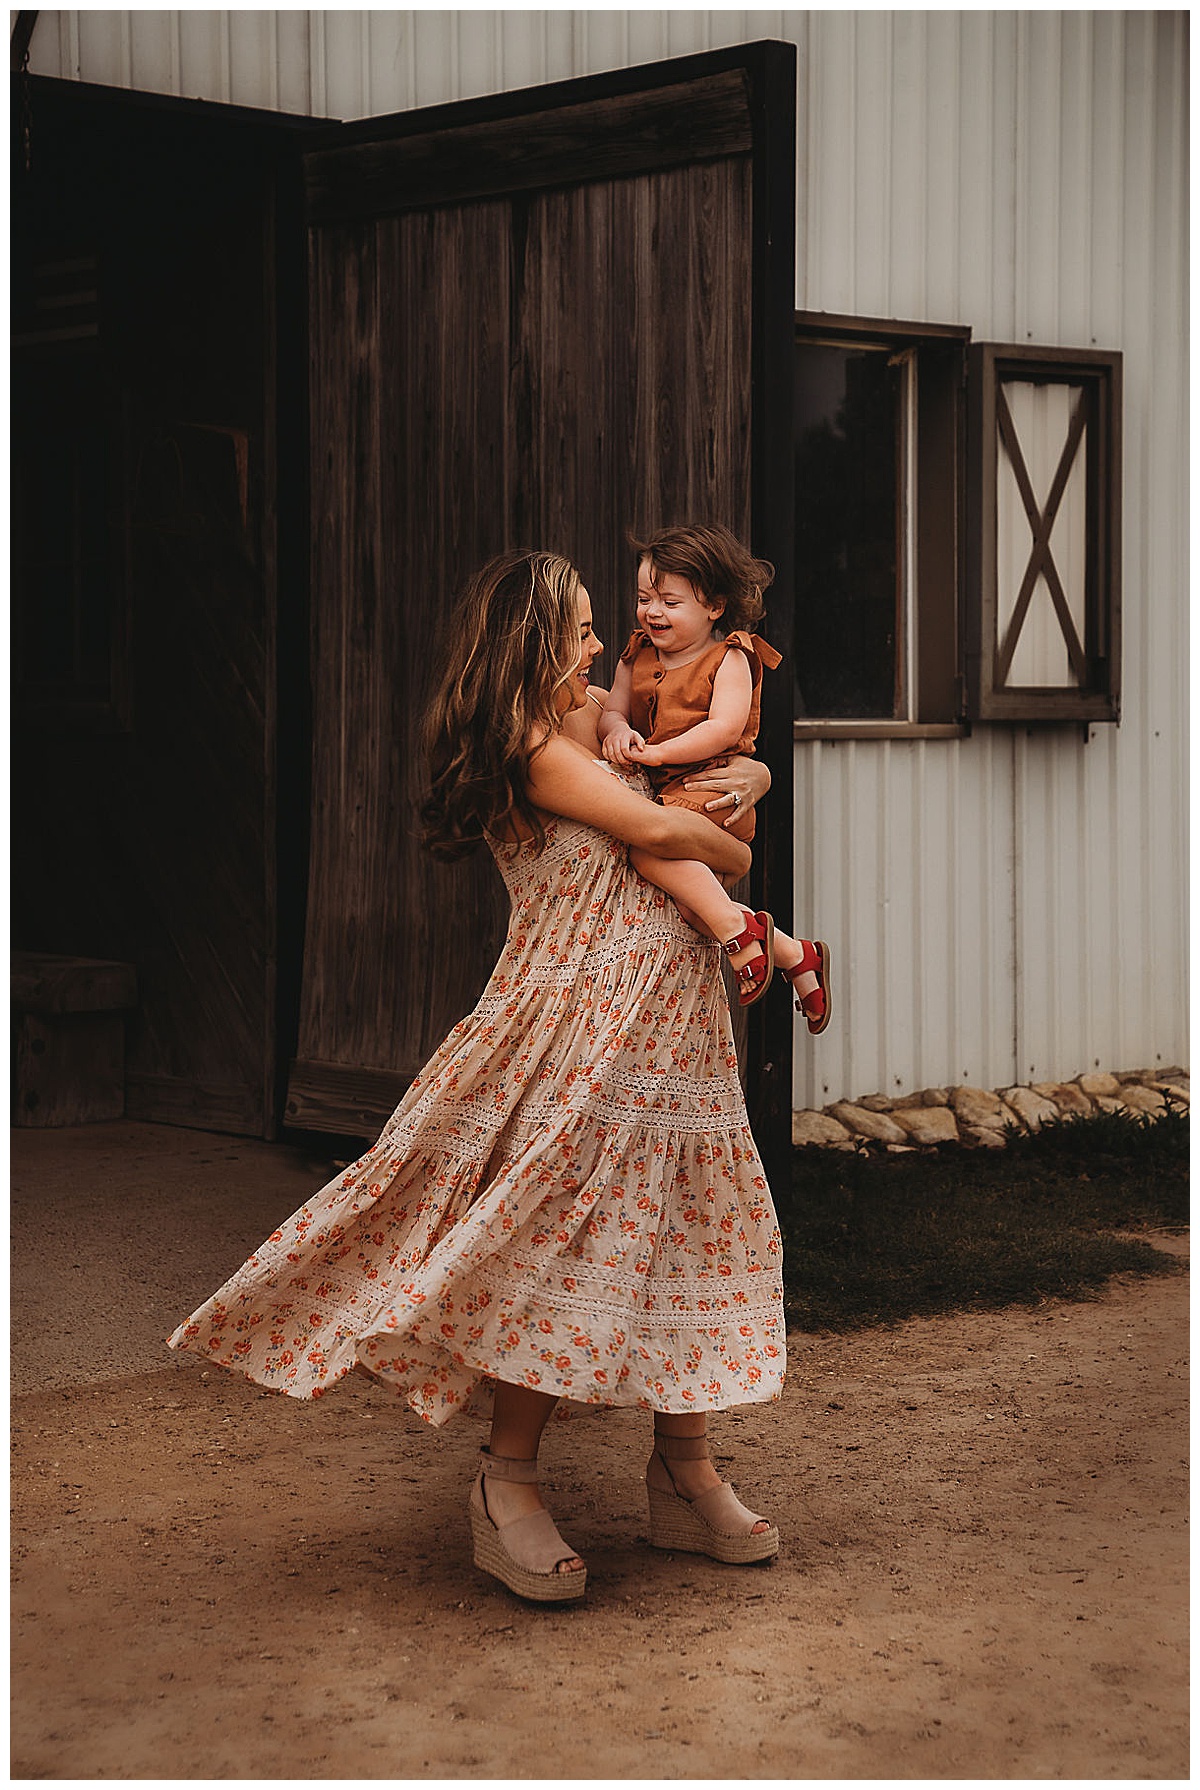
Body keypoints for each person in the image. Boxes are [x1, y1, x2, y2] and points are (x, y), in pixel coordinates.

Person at [168, 549, 785, 1606]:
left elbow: (714, 759)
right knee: (552, 1231)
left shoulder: (603, 710)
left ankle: (684, 1470)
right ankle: (506, 1484)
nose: (605, 644)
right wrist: (728, 849)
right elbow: (661, 826)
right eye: (584, 628)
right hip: (573, 1028)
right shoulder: (532, 744)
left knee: (682, 1222)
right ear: (538, 642)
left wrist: (756, 773)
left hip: (676, 1030)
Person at [597, 524, 831, 1034]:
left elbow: (721, 728)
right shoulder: (635, 654)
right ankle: (795, 955)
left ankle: (746, 937)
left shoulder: (730, 658)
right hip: (669, 794)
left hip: (717, 790)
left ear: (715, 607)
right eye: (644, 598)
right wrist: (615, 730)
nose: (652, 612)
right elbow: (613, 710)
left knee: (643, 846)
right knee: (692, 906)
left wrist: (656, 753)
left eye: (670, 602)